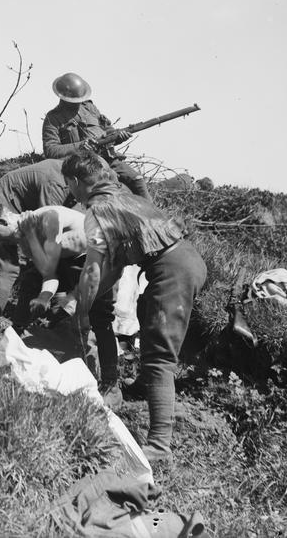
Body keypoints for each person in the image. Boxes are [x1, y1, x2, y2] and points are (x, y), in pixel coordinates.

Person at [61, 150, 207, 461]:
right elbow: (115, 268)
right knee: (146, 310)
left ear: (75, 181)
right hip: (186, 258)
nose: (69, 191)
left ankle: (159, 445)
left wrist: (80, 307)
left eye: (68, 185)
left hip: (173, 270)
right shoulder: (124, 197)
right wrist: (84, 298)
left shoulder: (97, 212)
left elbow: (94, 271)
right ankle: (144, 386)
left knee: (159, 355)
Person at [0, 203, 121, 407]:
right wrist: (43, 297)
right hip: (70, 263)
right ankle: (15, 340)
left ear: (3, 221)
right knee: (31, 281)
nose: (2, 242)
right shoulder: (25, 240)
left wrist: (71, 300)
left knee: (99, 318)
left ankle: (111, 384)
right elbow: (50, 275)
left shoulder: (46, 218)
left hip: (99, 260)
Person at [0, 158, 75, 318]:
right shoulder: (56, 183)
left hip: (3, 208)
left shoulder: (64, 176)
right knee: (9, 268)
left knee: (13, 268)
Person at [42, 72, 152, 200]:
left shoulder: (90, 108)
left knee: (137, 180)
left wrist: (119, 137)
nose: (78, 102)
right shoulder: (53, 118)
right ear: (63, 98)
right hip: (83, 165)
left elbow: (107, 131)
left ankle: (151, 212)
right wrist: (80, 146)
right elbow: (50, 150)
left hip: (108, 159)